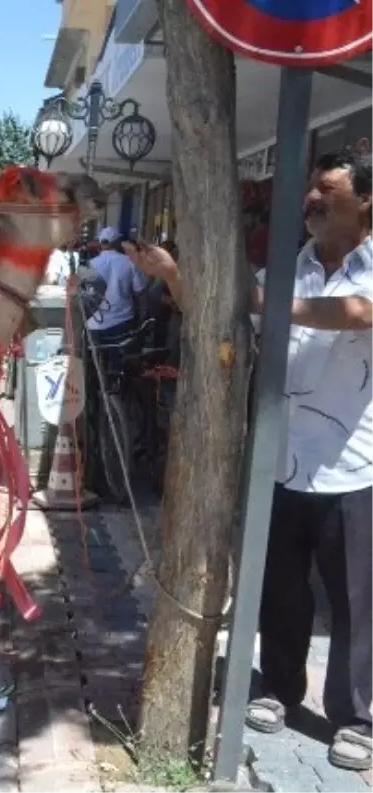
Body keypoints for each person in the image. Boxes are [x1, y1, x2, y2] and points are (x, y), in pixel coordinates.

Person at [217, 150, 373, 775]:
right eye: (310, 187)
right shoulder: (293, 265)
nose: (311, 198)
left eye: (327, 190)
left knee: (358, 603)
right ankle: (279, 690)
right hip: (283, 462)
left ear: (366, 201)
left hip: (357, 468)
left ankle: (357, 717)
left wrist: (265, 302)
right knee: (281, 592)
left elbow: (359, 313)